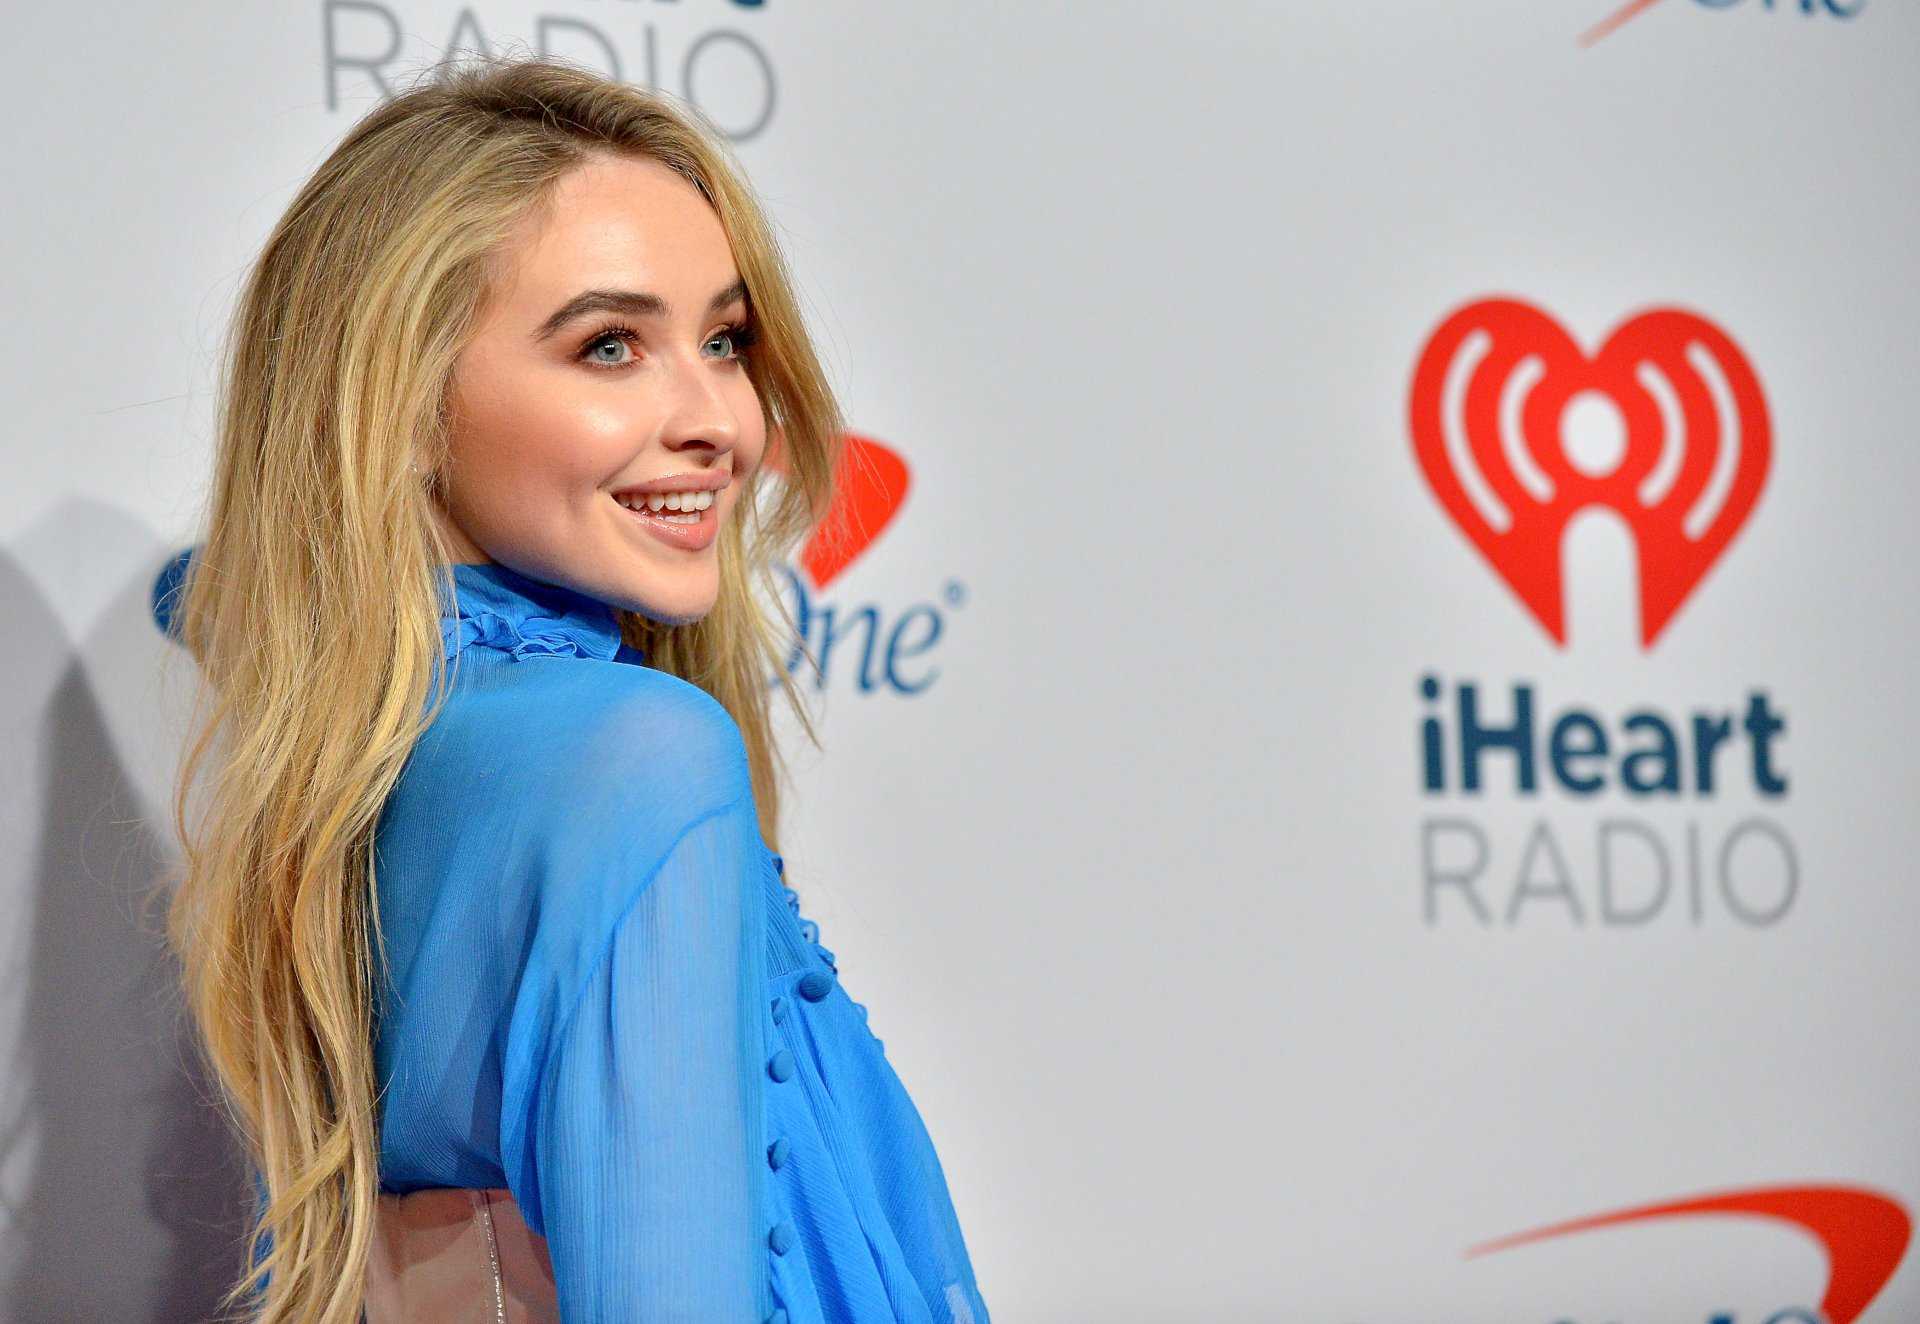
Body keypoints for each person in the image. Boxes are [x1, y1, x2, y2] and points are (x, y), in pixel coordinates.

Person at [155, 52, 989, 1323]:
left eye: (725, 340)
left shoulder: (367, 748)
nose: (722, 422)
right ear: (400, 403)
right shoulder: (636, 756)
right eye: (610, 346)